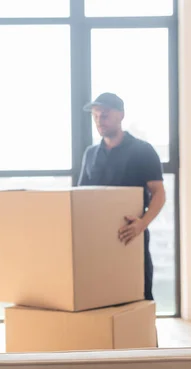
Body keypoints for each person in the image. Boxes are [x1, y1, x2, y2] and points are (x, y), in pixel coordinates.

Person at [78, 92, 166, 301]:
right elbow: (81, 196)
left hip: (132, 237)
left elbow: (159, 193)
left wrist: (142, 224)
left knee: (139, 300)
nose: (100, 120)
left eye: (105, 115)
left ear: (121, 115)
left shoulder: (143, 151)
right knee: (103, 301)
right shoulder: (91, 154)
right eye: (96, 116)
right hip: (98, 242)